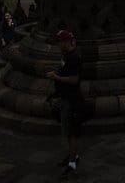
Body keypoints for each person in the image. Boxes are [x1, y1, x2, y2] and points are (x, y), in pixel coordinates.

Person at [46, 30, 85, 177]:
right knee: (68, 132)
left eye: (59, 41)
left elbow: (75, 80)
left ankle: (73, 164)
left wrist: (56, 77)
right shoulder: (67, 56)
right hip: (65, 98)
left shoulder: (74, 57)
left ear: (66, 42)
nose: (58, 44)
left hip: (72, 100)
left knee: (72, 133)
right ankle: (71, 156)